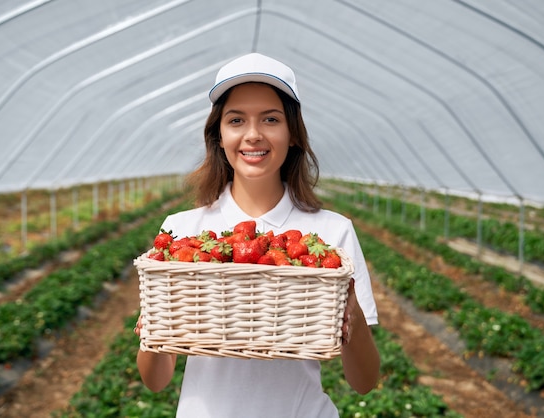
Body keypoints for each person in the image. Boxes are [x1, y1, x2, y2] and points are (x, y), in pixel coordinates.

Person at [135, 52, 380, 417]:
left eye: (270, 119)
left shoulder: (332, 232)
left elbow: (364, 382)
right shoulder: (183, 232)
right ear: (218, 135)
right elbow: (156, 381)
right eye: (236, 120)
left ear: (292, 133)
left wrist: (353, 314)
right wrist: (155, 327)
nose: (253, 134)